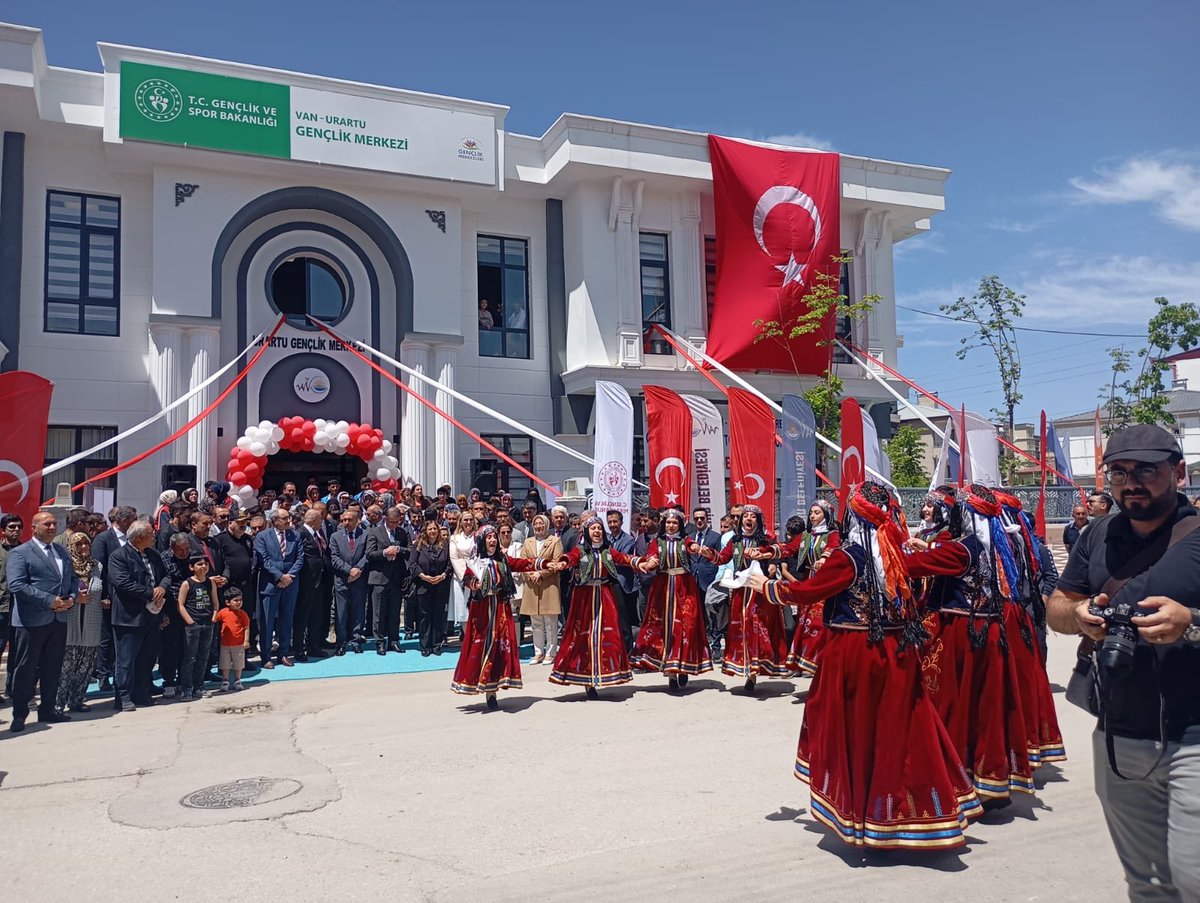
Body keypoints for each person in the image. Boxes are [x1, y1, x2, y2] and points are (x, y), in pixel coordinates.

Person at [750, 481, 981, 851]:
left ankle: (870, 816)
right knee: (901, 730)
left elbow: (810, 591)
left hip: (854, 652)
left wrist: (766, 586)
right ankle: (912, 812)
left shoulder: (849, 557)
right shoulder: (894, 552)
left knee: (854, 729)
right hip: (895, 651)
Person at [1047, 424, 1200, 902]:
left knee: (1194, 879)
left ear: (1177, 472)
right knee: (1146, 885)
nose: (1131, 482)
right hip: (1118, 734)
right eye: (1119, 472)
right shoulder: (1097, 534)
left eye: (1146, 471)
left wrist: (1190, 623)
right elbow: (1057, 606)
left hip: (1195, 738)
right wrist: (1079, 616)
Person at [546, 516, 650, 698]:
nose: (597, 531)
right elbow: (570, 558)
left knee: (607, 636)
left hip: (604, 597)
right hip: (584, 599)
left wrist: (640, 562)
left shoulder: (608, 551)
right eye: (593, 528)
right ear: (587, 532)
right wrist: (562, 563)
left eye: (599, 528)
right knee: (583, 638)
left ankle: (607, 673)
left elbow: (625, 558)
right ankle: (587, 679)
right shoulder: (580, 551)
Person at [695, 505, 789, 692]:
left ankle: (757, 668)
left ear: (758, 520)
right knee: (741, 627)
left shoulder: (767, 539)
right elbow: (722, 558)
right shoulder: (735, 541)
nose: (748, 519)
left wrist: (771, 567)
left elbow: (774, 558)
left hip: (758, 590)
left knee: (757, 626)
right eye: (745, 516)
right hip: (740, 591)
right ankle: (747, 667)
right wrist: (709, 554)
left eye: (752, 517)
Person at [452, 525, 539, 709]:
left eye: (494, 537)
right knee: (481, 645)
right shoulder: (474, 562)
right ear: (482, 541)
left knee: (500, 645)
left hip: (500, 607)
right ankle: (482, 684)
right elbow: (467, 579)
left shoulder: (503, 560)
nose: (492, 540)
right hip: (481, 610)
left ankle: (492, 688)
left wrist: (545, 563)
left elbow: (523, 564)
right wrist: (474, 584)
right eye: (489, 537)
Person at [6, 511, 77, 731]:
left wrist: (71, 598)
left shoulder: (61, 551)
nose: (53, 527)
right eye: (47, 524)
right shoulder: (20, 553)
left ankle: (48, 709)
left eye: (55, 523)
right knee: (26, 669)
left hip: (59, 618)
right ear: (34, 528)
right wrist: (49, 601)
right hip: (31, 620)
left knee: (52, 667)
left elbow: (72, 579)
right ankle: (19, 714)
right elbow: (16, 585)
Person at [631, 508, 713, 690]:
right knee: (664, 626)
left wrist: (696, 549)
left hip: (684, 586)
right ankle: (670, 671)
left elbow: (693, 546)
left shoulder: (685, 540)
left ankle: (683, 666)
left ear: (680, 525)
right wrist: (650, 561)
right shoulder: (657, 542)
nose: (671, 525)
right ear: (663, 524)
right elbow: (651, 556)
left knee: (686, 625)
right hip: (664, 587)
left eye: (674, 523)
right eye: (668, 522)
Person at [107, 521, 167, 712]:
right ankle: (123, 696)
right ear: (140, 537)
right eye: (151, 533)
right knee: (126, 660)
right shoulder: (119, 556)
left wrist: (162, 588)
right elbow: (123, 583)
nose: (154, 536)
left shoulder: (153, 554)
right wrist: (150, 593)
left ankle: (141, 692)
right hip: (128, 617)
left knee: (147, 658)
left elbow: (166, 575)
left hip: (151, 616)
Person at [784, 500, 841, 676]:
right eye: (811, 513)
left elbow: (834, 547)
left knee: (819, 623)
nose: (812, 516)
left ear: (826, 515)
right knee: (804, 621)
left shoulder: (833, 534)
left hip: (825, 584)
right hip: (809, 581)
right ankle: (807, 662)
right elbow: (788, 548)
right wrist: (767, 551)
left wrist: (824, 558)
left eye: (817, 513)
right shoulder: (806, 535)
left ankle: (821, 663)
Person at [55, 532, 104, 714]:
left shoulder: (97, 566)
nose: (84, 547)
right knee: (66, 665)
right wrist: (76, 599)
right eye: (79, 544)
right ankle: (59, 702)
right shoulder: (65, 566)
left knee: (86, 664)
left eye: (86, 543)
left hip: (91, 621)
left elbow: (101, 588)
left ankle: (77, 699)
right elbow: (59, 590)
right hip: (70, 620)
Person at [254, 508, 304, 668]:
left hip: (291, 583)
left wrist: (289, 577)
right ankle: (266, 656)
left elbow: (300, 558)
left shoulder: (295, 535)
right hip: (270, 583)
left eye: (288, 517)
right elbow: (264, 559)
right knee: (267, 621)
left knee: (286, 619)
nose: (288, 520)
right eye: (284, 518)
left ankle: (283, 654)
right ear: (275, 521)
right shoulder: (262, 536)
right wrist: (279, 576)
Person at [519, 513, 562, 664]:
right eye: (536, 524)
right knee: (536, 622)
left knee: (550, 622)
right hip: (532, 586)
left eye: (541, 523)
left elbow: (556, 562)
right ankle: (538, 652)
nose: (538, 526)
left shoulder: (555, 541)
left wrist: (541, 573)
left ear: (547, 525)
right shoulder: (528, 542)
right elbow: (522, 561)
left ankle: (551, 652)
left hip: (548, 585)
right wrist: (530, 574)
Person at [366, 506, 409, 654]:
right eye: (391, 522)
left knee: (394, 612)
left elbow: (409, 550)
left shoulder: (402, 532)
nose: (394, 525)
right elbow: (370, 554)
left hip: (396, 578)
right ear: (385, 519)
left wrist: (398, 550)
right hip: (379, 577)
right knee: (378, 612)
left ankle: (394, 640)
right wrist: (385, 553)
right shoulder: (374, 532)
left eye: (397, 522)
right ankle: (379, 642)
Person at [177, 555, 218, 700]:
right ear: (191, 567)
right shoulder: (187, 584)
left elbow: (215, 602)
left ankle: (199, 686)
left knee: (203, 657)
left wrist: (214, 616)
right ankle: (186, 688)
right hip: (193, 625)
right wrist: (190, 622)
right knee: (189, 657)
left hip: (208, 623)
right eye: (199, 564)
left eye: (205, 564)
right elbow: (180, 604)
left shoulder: (210, 583)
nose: (203, 567)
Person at [409, 519, 451, 656]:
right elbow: (412, 564)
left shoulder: (445, 545)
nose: (432, 531)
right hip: (423, 585)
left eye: (434, 529)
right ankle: (425, 645)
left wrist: (443, 575)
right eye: (430, 529)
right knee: (424, 616)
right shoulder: (418, 546)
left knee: (438, 615)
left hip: (440, 585)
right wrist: (423, 576)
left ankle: (436, 644)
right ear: (425, 532)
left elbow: (450, 564)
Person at [294, 508, 331, 661]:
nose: (322, 522)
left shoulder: (318, 534)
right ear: (314, 520)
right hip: (307, 580)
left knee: (317, 614)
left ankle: (313, 646)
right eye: (320, 520)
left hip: (320, 580)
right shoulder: (300, 533)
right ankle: (298, 649)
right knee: (303, 616)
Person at [330, 508, 368, 654]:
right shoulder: (335, 536)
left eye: (349, 520)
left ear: (357, 520)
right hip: (342, 579)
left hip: (359, 579)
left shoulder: (365, 535)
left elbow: (367, 554)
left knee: (358, 610)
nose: (346, 522)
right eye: (343, 520)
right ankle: (341, 642)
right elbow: (334, 558)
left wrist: (358, 569)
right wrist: (348, 570)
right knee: (342, 611)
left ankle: (356, 640)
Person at [605, 510, 640, 652]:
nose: (612, 525)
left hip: (624, 586)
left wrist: (606, 559)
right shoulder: (605, 539)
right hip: (608, 585)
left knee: (626, 622)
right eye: (610, 522)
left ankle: (629, 653)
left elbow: (622, 560)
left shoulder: (628, 540)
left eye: (615, 521)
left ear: (621, 522)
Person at [1, 514, 24, 703]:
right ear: (4, 530)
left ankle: (12, 688)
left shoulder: (26, 550)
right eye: (11, 527)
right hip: (2, 607)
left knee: (17, 651)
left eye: (18, 527)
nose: (15, 530)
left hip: (21, 609)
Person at [213, 586, 250, 691]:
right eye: (235, 600)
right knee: (225, 664)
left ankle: (237, 680)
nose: (239, 602)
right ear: (228, 602)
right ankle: (225, 681)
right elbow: (215, 619)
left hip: (238, 644)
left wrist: (246, 640)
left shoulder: (243, 614)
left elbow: (246, 628)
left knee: (238, 664)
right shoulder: (223, 612)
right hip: (225, 644)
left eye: (240, 600)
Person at [448, 511, 478, 638]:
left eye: (471, 519)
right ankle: (467, 638)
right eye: (465, 520)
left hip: (478, 575)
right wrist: (466, 576)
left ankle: (478, 638)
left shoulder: (479, 536)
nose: (468, 522)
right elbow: (454, 558)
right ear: (461, 522)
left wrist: (477, 574)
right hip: (461, 577)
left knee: (477, 610)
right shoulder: (454, 538)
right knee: (463, 611)